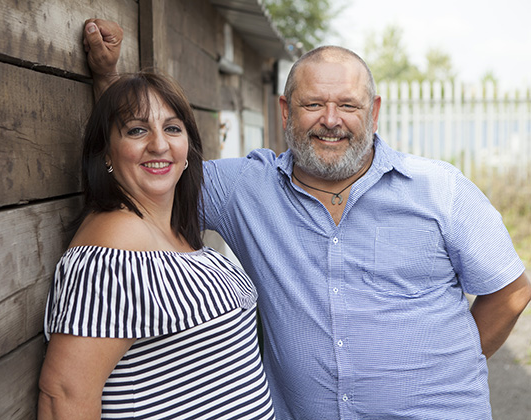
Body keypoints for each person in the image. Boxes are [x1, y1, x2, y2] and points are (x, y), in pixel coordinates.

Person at [82, 19, 531, 420]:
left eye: (349, 106)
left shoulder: (440, 189)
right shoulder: (244, 188)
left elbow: (511, 291)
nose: (331, 121)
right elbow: (148, 166)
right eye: (313, 104)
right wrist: (110, 81)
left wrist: (450, 365)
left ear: (373, 113)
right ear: (285, 112)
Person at [37, 70, 275, 419]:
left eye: (173, 128)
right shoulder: (113, 250)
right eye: (137, 130)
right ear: (105, 153)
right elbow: (64, 396)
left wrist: (109, 78)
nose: (159, 144)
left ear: (189, 148)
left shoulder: (172, 227)